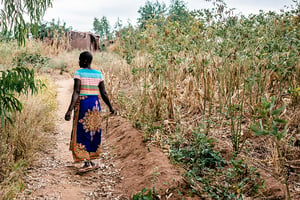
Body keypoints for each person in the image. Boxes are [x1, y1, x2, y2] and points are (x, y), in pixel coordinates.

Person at [65, 51, 114, 172]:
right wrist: (111, 107)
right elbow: (103, 93)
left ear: (85, 61)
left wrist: (69, 110)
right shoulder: (98, 74)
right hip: (95, 105)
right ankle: (92, 160)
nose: (79, 62)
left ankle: (87, 162)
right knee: (93, 130)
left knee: (83, 131)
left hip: (83, 104)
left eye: (80, 60)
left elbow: (76, 92)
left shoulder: (79, 73)